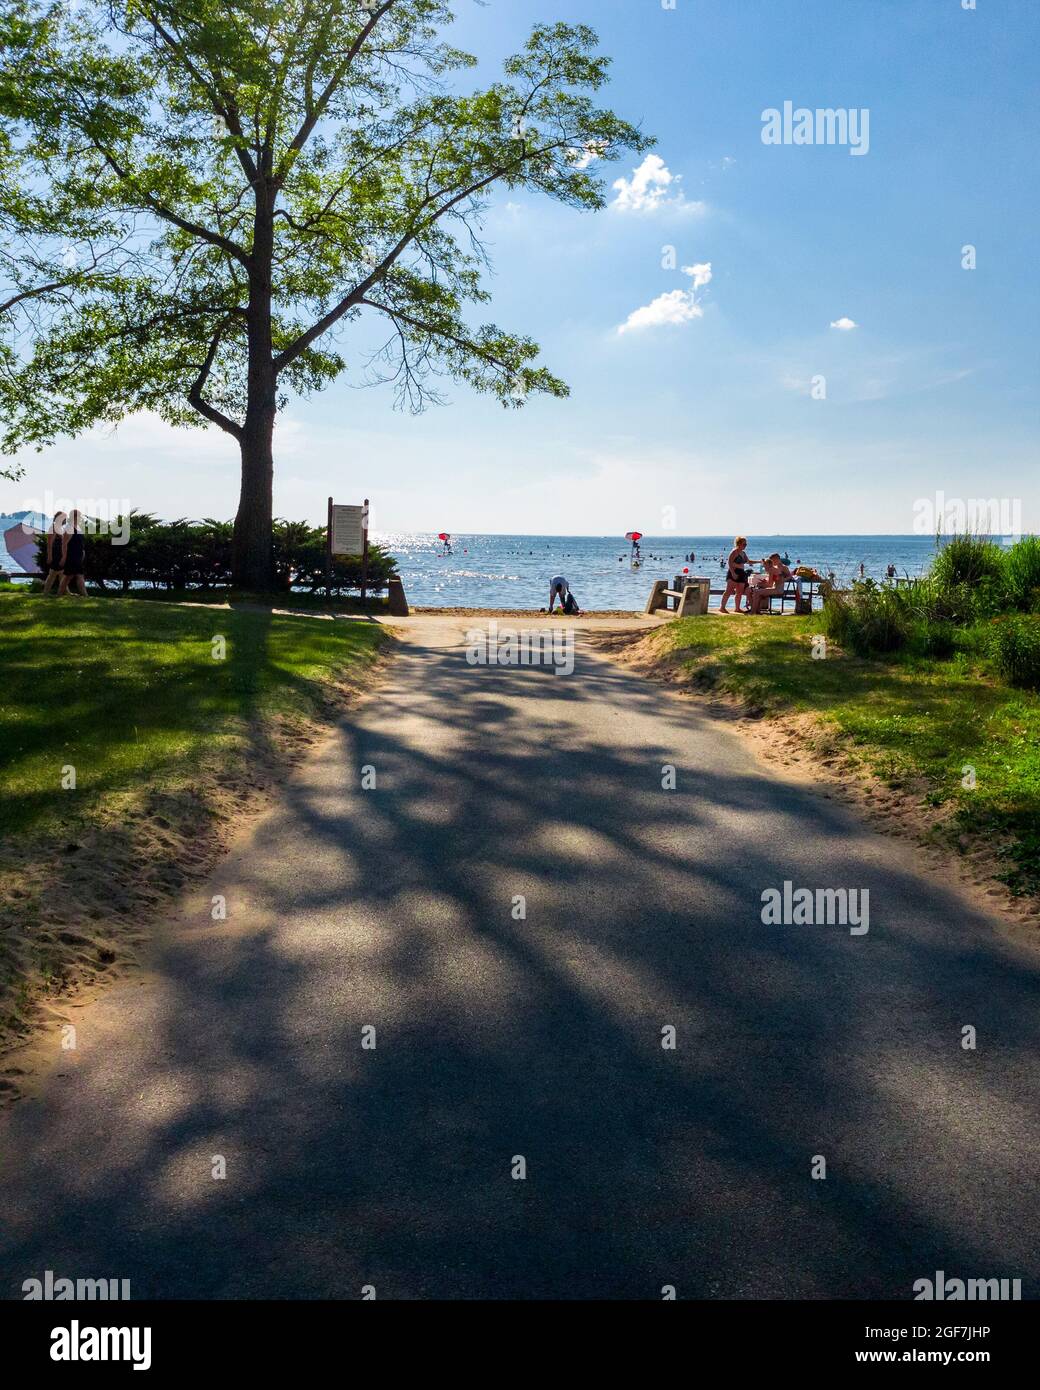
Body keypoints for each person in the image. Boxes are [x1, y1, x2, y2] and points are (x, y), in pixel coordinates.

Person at [57, 510, 86, 597]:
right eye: (79, 516)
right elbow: (64, 544)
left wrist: (82, 553)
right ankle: (85, 595)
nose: (80, 518)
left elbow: (80, 543)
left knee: (68, 576)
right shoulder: (69, 528)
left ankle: (59, 594)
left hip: (78, 555)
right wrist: (64, 557)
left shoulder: (78, 528)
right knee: (76, 575)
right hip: (71, 556)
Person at [719, 536, 751, 613]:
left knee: (739, 592)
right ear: (739, 544)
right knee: (728, 591)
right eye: (744, 544)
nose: (745, 546)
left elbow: (748, 561)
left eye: (746, 544)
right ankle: (722, 607)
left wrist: (760, 561)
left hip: (741, 573)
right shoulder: (734, 552)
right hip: (733, 572)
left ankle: (737, 608)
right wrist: (733, 573)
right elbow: (729, 563)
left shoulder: (743, 553)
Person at [41, 511, 67, 594]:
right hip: (55, 554)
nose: (65, 520)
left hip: (60, 553)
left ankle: (65, 591)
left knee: (61, 573)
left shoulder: (60, 528)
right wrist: (50, 556)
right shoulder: (54, 527)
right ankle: (46, 592)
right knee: (53, 574)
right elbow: (49, 543)